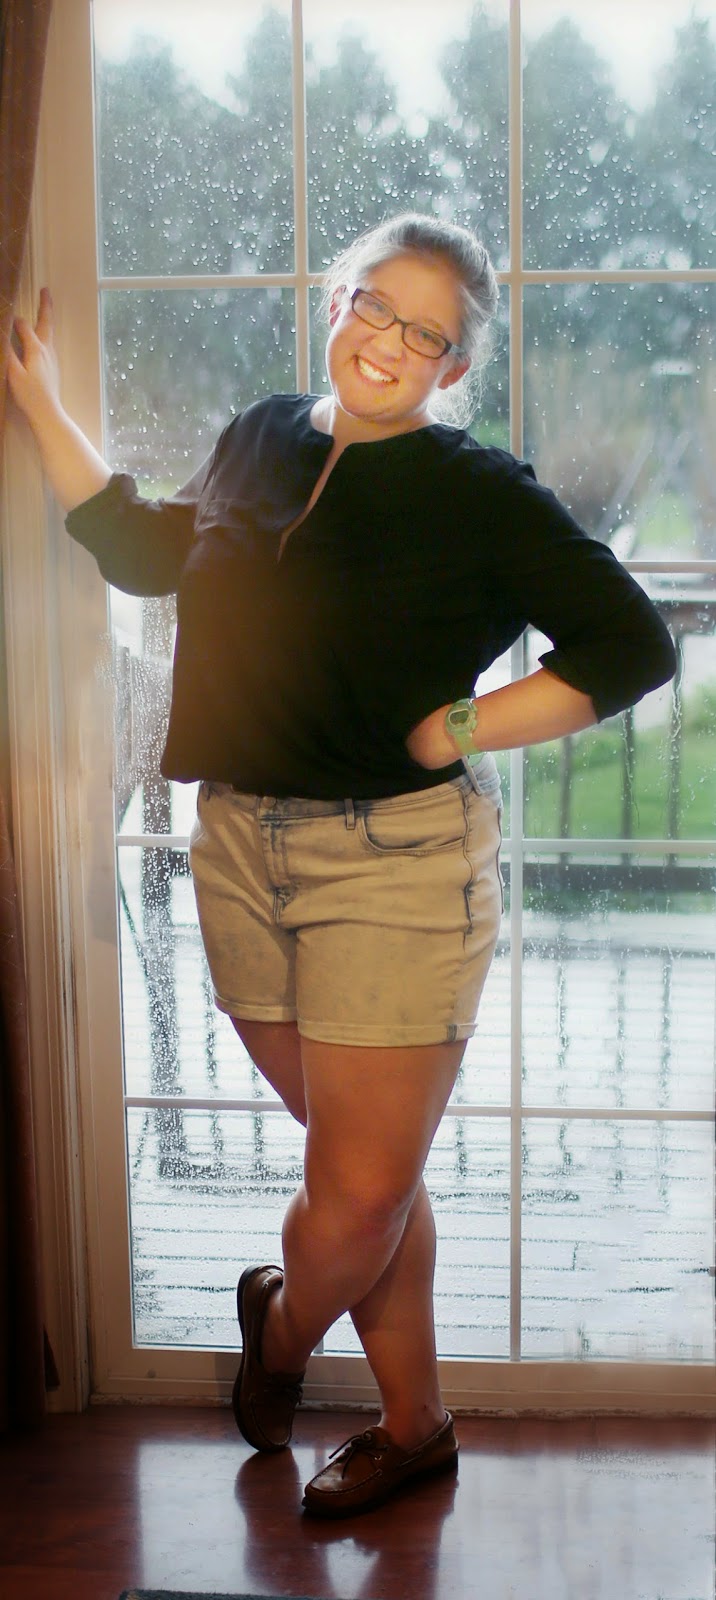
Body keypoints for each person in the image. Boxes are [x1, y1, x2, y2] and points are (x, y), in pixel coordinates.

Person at [7, 213, 675, 1518]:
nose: (390, 342)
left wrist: (462, 724)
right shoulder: (261, 433)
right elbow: (148, 548)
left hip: (396, 864)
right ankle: (416, 1426)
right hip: (236, 849)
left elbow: (633, 644)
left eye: (427, 333)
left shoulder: (481, 492)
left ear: (454, 367)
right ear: (336, 303)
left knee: (361, 1191)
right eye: (376, 305)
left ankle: (279, 1329)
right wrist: (38, 401)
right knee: (368, 1180)